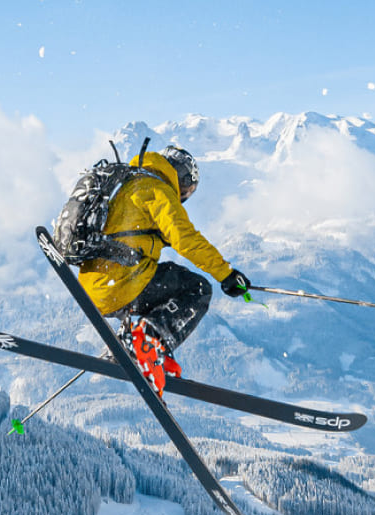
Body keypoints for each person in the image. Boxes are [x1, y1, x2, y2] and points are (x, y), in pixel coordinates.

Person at [77, 145, 251, 390]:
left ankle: (139, 345)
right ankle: (148, 342)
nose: (184, 196)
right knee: (197, 288)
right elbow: (186, 239)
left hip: (96, 287)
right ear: (179, 176)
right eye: (187, 189)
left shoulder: (129, 184)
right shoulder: (156, 189)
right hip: (120, 284)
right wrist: (226, 274)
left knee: (166, 275)